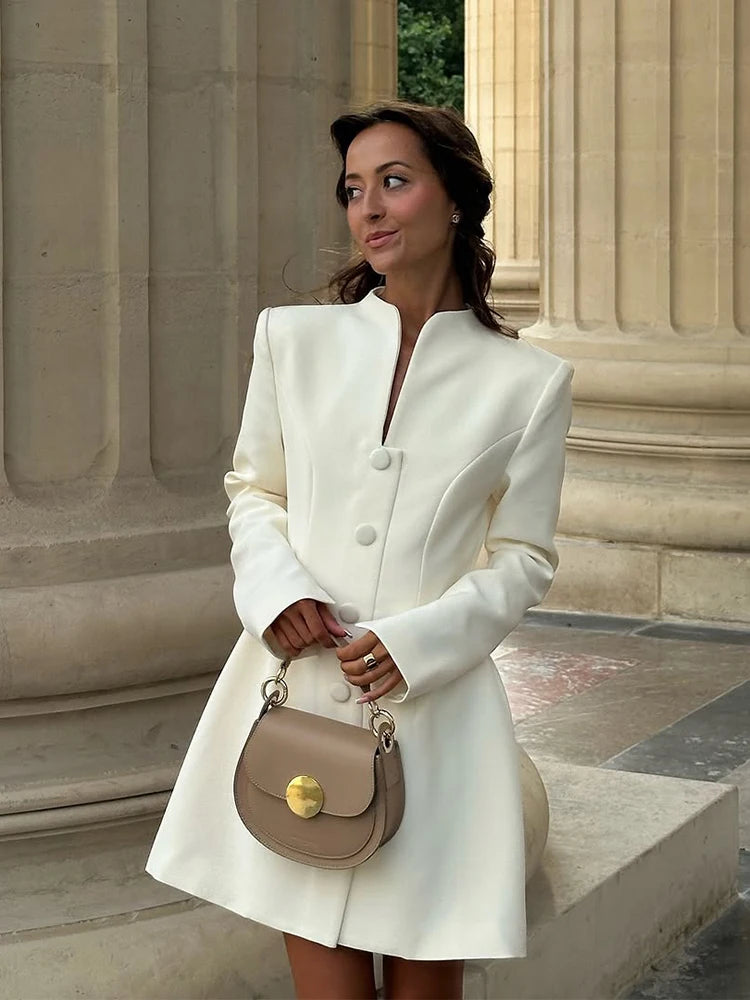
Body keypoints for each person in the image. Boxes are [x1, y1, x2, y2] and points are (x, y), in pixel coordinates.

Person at [146, 101, 573, 1000]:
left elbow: (524, 556)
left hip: (435, 714)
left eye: (394, 181)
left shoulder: (529, 382)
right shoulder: (291, 339)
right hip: (298, 693)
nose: (369, 208)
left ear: (453, 198)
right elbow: (255, 490)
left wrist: (421, 643)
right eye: (353, 190)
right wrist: (275, 590)